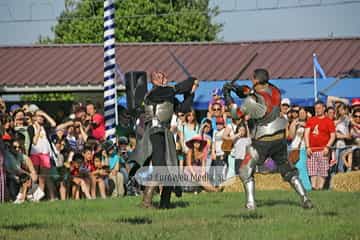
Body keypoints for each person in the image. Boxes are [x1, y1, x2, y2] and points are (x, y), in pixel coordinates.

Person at [223, 68, 313, 209]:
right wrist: (236, 88)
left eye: (252, 78)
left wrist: (227, 97)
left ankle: (250, 203)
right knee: (288, 170)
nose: (251, 80)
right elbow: (252, 92)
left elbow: (236, 114)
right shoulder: (275, 90)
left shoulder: (251, 101)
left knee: (245, 171)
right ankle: (305, 198)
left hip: (262, 141)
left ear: (256, 80)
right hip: (279, 139)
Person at [129, 71, 198, 209]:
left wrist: (191, 93)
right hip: (155, 131)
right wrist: (192, 80)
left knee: (171, 168)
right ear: (155, 80)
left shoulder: (167, 95)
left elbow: (183, 109)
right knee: (161, 167)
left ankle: (165, 202)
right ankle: (146, 201)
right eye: (163, 77)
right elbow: (177, 88)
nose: (166, 79)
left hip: (166, 133)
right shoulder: (156, 92)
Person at [305, 101, 336, 190]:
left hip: (323, 149)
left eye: (319, 108)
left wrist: (327, 147)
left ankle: (320, 188)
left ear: (323, 108)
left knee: (323, 170)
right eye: (316, 108)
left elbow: (333, 136)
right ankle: (314, 187)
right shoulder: (311, 120)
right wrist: (307, 147)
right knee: (312, 170)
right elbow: (306, 134)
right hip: (312, 149)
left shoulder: (328, 121)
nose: (317, 110)